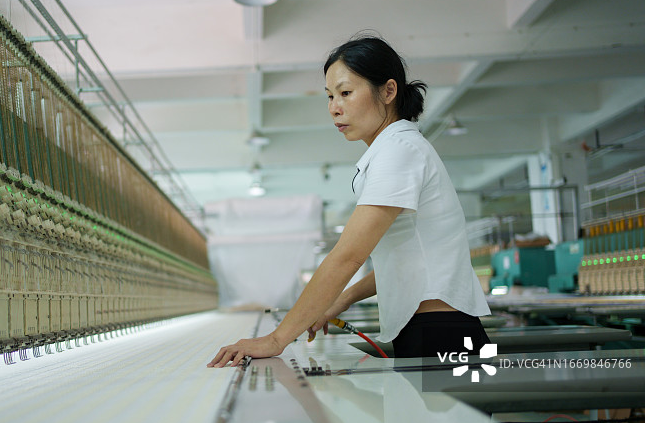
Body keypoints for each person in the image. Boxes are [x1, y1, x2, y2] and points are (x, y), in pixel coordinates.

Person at [208, 35, 490, 368]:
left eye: (345, 93)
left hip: (441, 333)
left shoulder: (399, 152)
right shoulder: (393, 150)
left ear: (388, 91)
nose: (334, 107)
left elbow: (348, 255)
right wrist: (340, 300)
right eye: (330, 96)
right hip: (431, 327)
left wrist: (276, 339)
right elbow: (404, 259)